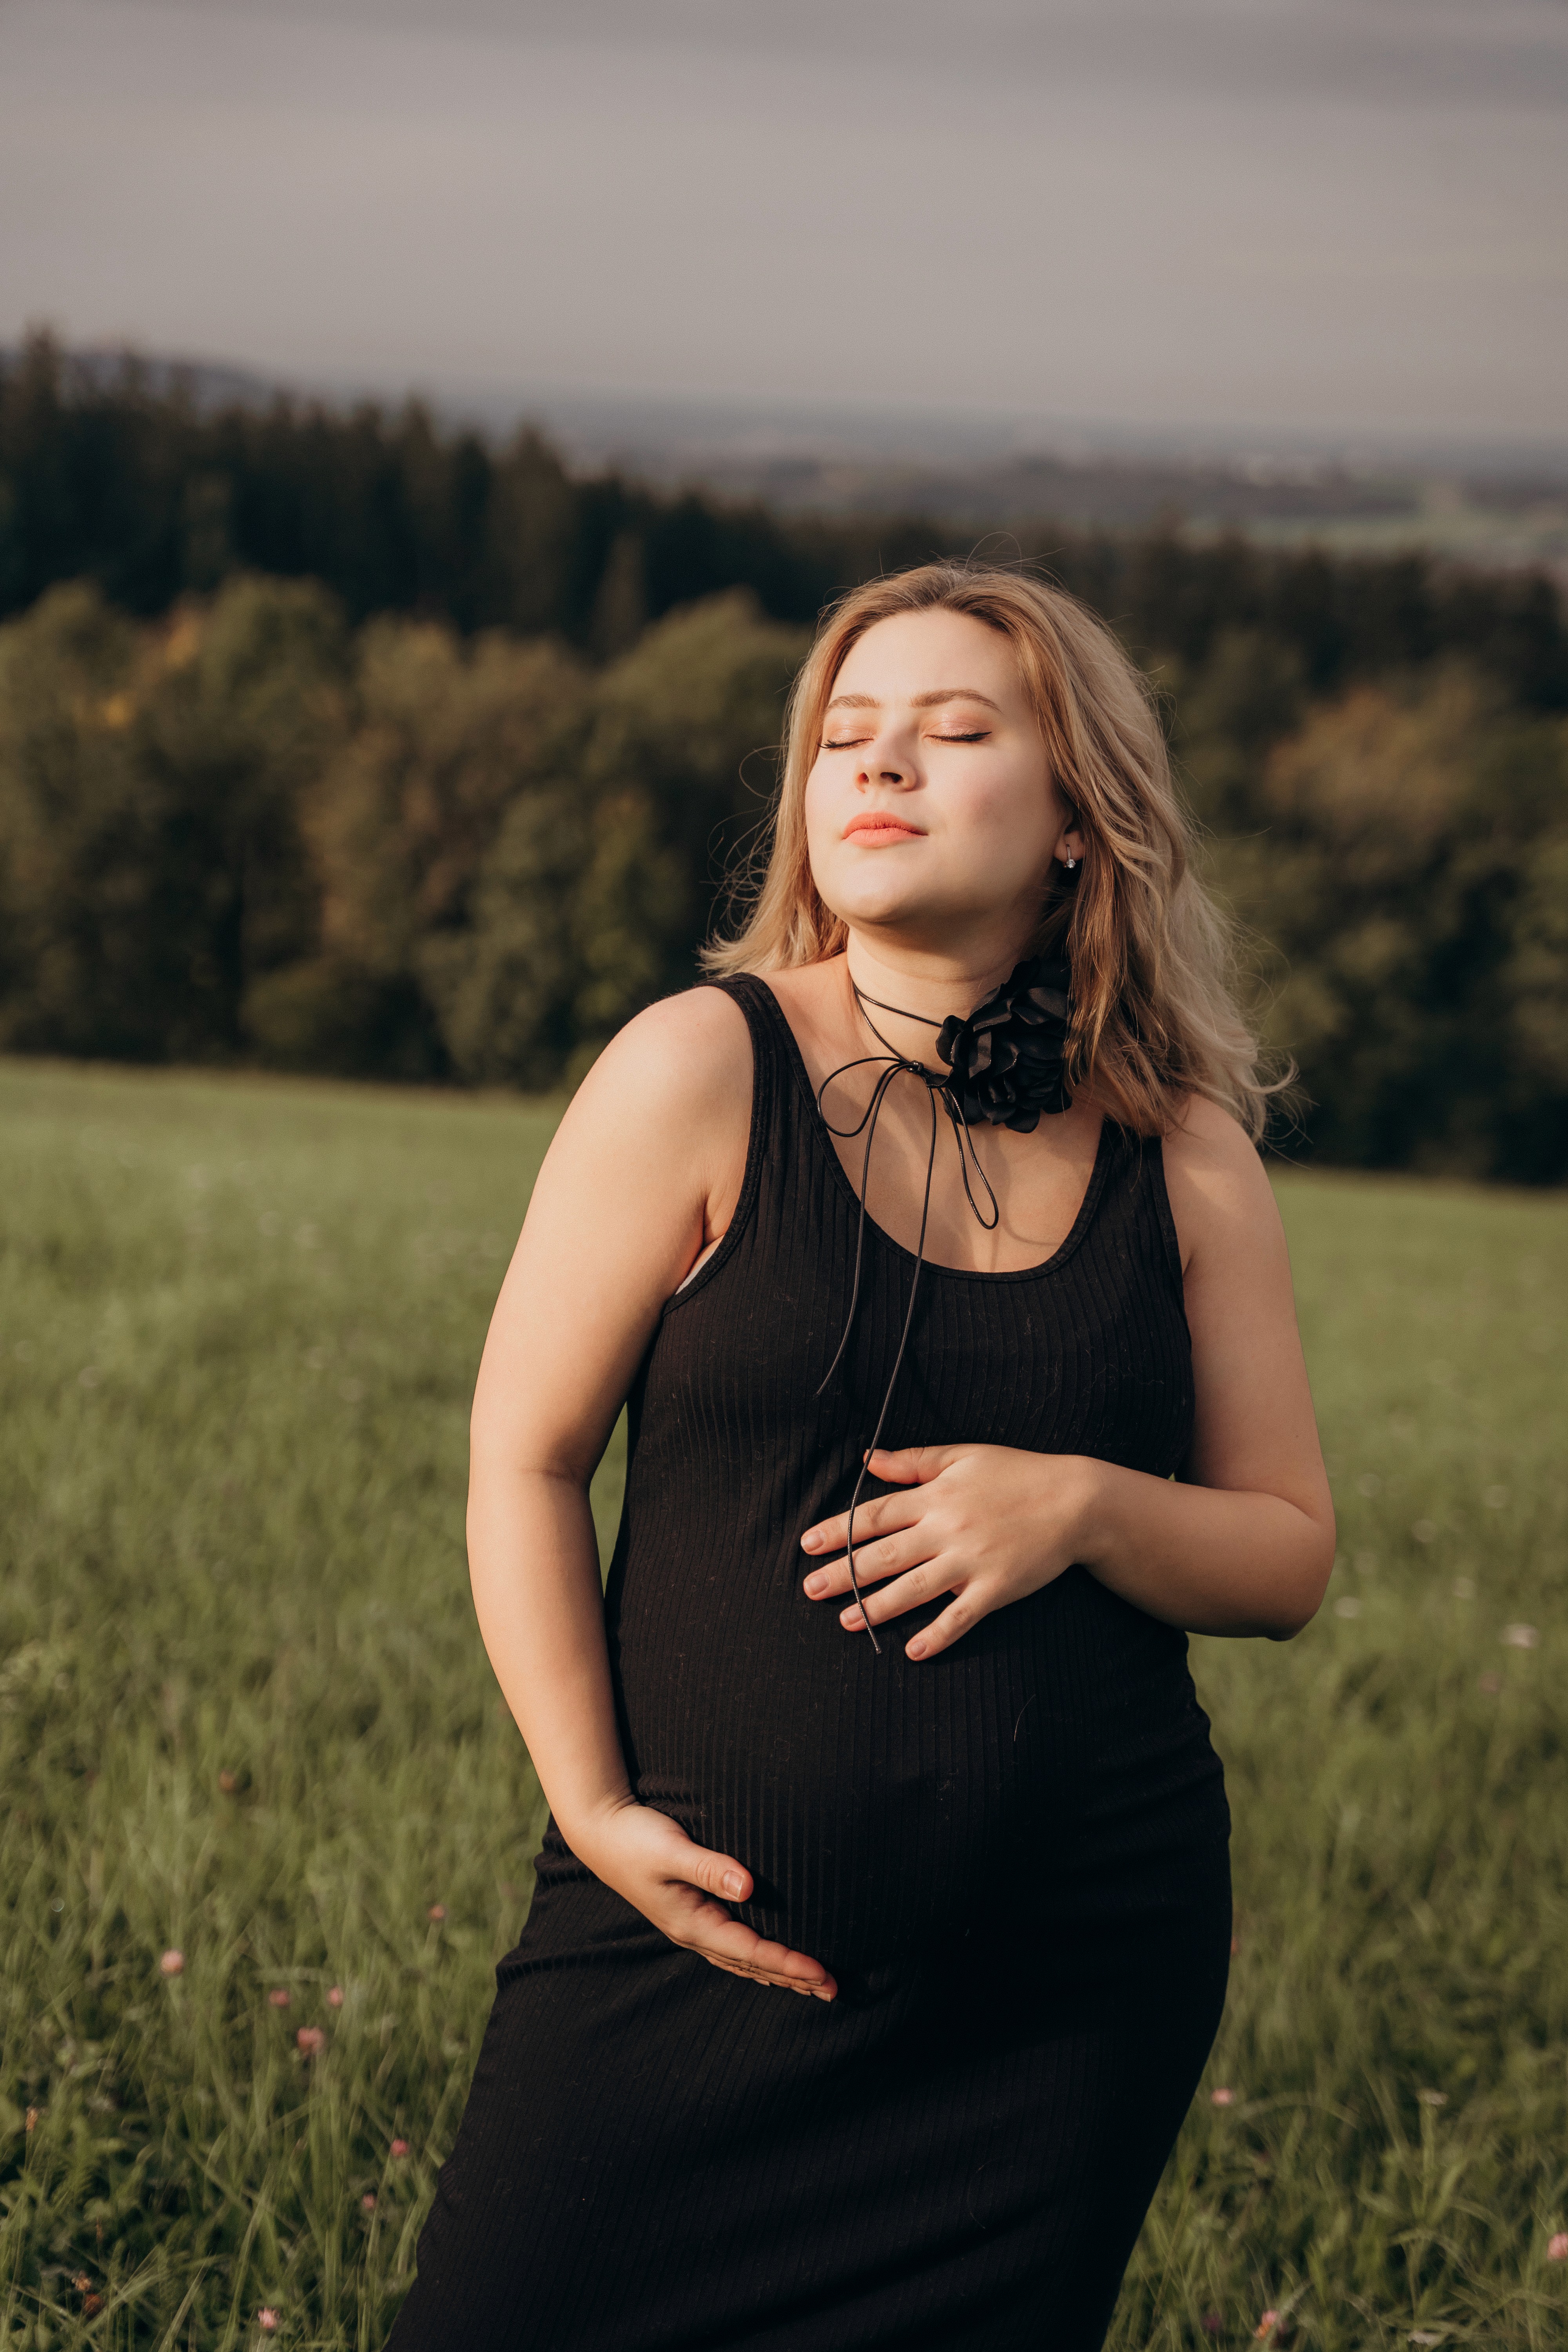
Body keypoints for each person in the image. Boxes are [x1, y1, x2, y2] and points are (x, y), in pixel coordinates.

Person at [386, 562, 1335, 2352]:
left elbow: (1287, 1553)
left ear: (1076, 820)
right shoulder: (697, 1069)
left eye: (955, 731)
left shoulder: (1183, 1151)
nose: (878, 766)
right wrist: (593, 1811)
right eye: (844, 736)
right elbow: (523, 1459)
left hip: (1070, 1988)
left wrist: (1086, 1508)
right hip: (676, 1960)